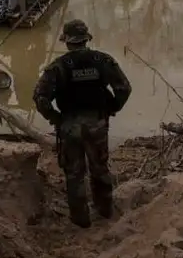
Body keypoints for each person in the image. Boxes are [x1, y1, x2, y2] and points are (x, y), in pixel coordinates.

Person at [32, 19, 132, 228]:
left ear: (67, 42)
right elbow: (124, 88)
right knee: (100, 167)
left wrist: (56, 118)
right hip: (97, 122)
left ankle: (80, 219)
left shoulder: (57, 67)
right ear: (86, 39)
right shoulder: (103, 60)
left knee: (74, 173)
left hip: (70, 125)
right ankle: (105, 210)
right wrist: (112, 108)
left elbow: (40, 97)